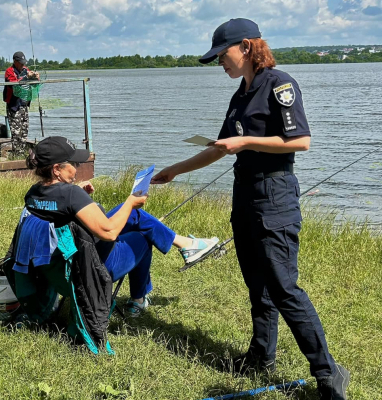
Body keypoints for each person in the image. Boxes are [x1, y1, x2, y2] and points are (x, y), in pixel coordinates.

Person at [151, 18, 349, 399]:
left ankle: (329, 372)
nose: (219, 64)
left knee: (283, 287)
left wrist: (247, 144)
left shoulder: (280, 84)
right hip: (244, 196)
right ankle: (261, 356)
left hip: (274, 196)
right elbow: (220, 146)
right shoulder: (240, 94)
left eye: (221, 56)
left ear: (245, 47)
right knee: (257, 286)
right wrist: (175, 170)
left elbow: (301, 141)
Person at [24, 136, 219, 315]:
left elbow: (60, 210)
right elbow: (109, 233)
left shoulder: (34, 194)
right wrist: (130, 202)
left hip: (58, 267)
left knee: (135, 216)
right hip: (88, 271)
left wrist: (78, 196)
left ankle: (185, 245)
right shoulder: (71, 195)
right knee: (142, 235)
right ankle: (139, 299)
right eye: (73, 164)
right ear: (57, 169)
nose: (77, 168)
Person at [3, 51, 39, 157]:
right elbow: (14, 84)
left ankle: (22, 152)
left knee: (24, 130)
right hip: (14, 105)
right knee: (16, 132)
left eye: (24, 62)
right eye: (21, 62)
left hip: (24, 104)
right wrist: (26, 77)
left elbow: (32, 81)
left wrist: (35, 77)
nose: (23, 64)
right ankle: (16, 154)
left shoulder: (26, 70)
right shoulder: (9, 71)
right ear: (15, 61)